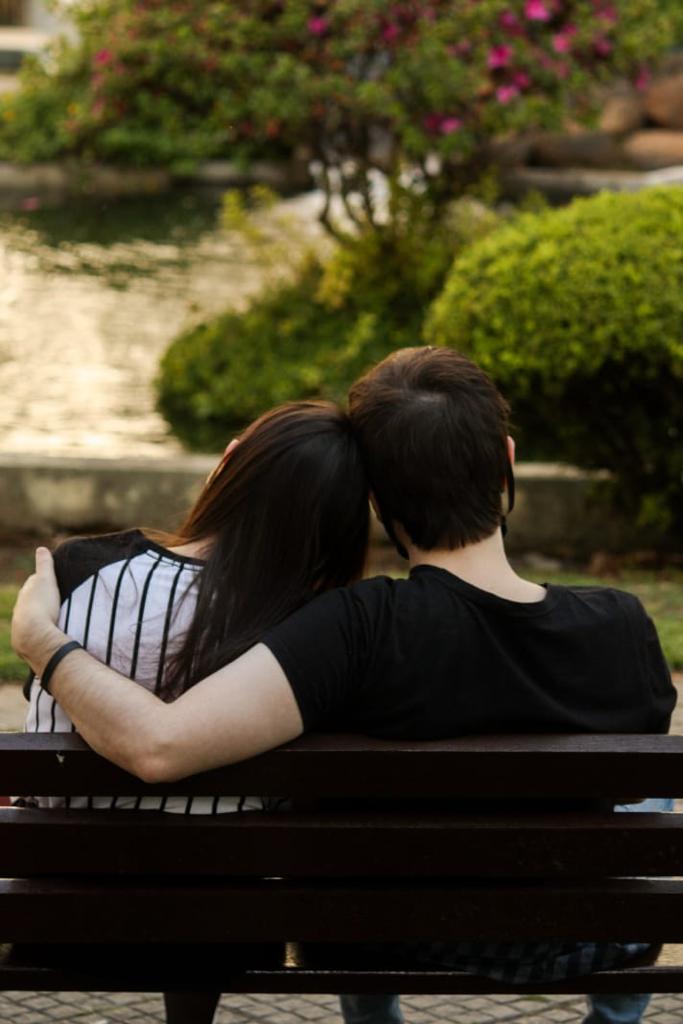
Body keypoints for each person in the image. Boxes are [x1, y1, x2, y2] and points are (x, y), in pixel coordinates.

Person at [12, 347, 676, 1024]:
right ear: (505, 462)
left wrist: (43, 642)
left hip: (379, 938)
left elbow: (160, 745)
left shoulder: (354, 628)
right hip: (582, 938)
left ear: (375, 498)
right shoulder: (620, 624)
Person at [14, 398, 370, 1024]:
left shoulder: (81, 571)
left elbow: (42, 713)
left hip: (60, 918)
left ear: (226, 464)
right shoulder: (308, 632)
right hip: (223, 934)